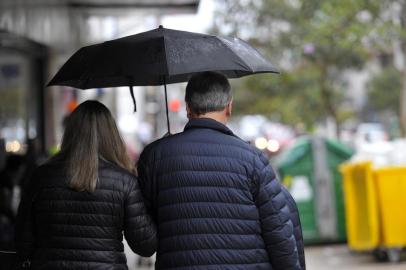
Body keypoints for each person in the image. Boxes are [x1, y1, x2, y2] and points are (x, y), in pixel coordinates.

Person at [138, 71, 305, 270]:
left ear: (188, 108)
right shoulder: (253, 159)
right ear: (229, 107)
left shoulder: (154, 157)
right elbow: (280, 236)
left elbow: (144, 240)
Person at [15, 100, 157, 270]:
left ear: (70, 132)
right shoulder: (125, 182)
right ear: (111, 135)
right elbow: (145, 246)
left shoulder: (41, 177)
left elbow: (23, 241)